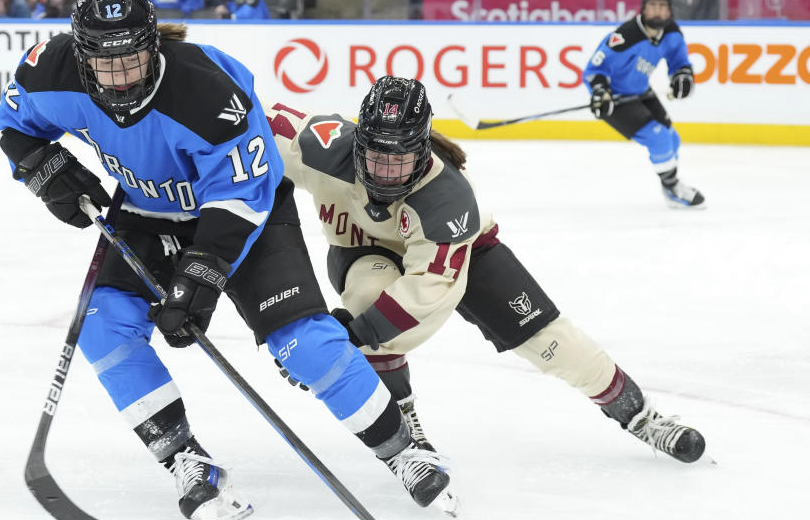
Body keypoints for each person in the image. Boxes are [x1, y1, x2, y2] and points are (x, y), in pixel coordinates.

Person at [0, 0, 456, 520]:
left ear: (153, 44)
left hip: (244, 214)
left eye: (133, 60)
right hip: (145, 210)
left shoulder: (208, 93)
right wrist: (48, 172)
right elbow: (15, 127)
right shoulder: (50, 70)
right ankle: (184, 457)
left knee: (303, 343)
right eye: (105, 64)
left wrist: (199, 277)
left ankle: (402, 451)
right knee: (101, 323)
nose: (120, 79)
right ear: (81, 53)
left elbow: (243, 193)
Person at [264, 76, 707, 465]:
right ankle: (403, 416)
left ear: (421, 152)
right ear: (357, 140)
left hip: (460, 254)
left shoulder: (448, 198)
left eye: (399, 162)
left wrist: (348, 340)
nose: (385, 174)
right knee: (367, 294)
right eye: (376, 157)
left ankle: (640, 415)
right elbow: (251, 121)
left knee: (551, 340)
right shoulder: (319, 146)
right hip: (363, 252)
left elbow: (425, 292)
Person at [583, 0, 704, 208]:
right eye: (653, 5)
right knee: (658, 139)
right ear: (643, 7)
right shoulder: (624, 37)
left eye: (662, 5)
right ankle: (673, 187)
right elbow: (594, 70)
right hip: (615, 99)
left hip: (641, 92)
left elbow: (679, 63)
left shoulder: (672, 33)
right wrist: (600, 91)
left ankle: (669, 184)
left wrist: (682, 77)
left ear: (669, 9)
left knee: (673, 139)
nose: (657, 10)